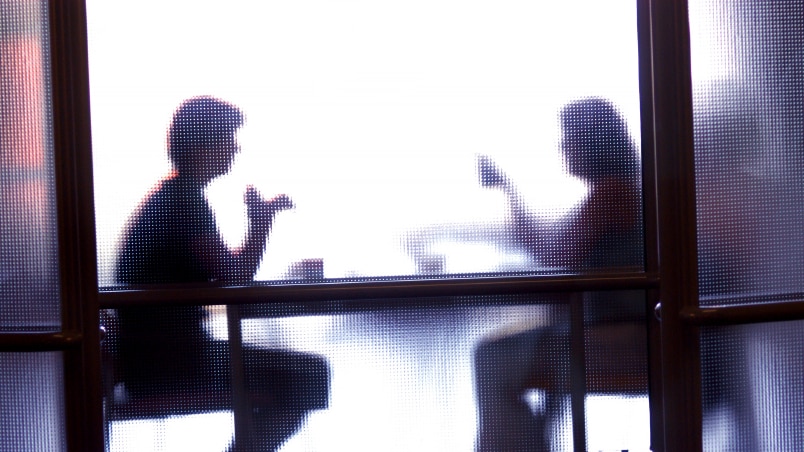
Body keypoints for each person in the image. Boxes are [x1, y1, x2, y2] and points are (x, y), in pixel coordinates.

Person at [113, 96, 329, 451]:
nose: (235, 146)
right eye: (228, 136)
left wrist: (260, 224)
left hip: (153, 360)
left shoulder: (173, 194)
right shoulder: (184, 199)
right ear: (203, 143)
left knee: (305, 375)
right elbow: (236, 277)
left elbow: (231, 275)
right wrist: (261, 224)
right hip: (171, 364)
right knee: (309, 376)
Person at [473, 97, 646, 451]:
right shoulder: (616, 189)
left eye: (569, 137)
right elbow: (550, 251)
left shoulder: (612, 194)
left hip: (623, 339)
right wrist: (509, 191)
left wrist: (509, 192)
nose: (563, 147)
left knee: (490, 356)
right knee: (506, 351)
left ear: (592, 142)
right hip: (619, 333)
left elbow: (553, 259)